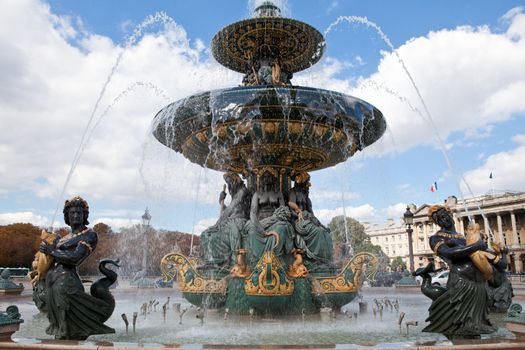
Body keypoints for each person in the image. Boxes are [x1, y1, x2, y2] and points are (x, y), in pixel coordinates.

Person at [39, 196, 116, 340]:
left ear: (84, 215)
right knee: (60, 328)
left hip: (66, 284)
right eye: (72, 213)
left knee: (71, 330)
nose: (75, 215)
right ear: (67, 216)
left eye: (79, 213)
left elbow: (75, 257)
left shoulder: (89, 235)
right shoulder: (63, 237)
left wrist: (51, 251)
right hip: (52, 283)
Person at [422, 205, 502, 338]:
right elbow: (448, 253)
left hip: (478, 286)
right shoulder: (436, 238)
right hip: (461, 284)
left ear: (451, 215)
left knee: (475, 328)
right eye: (439, 219)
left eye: (444, 216)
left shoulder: (465, 238)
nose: (443, 220)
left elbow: (479, 255)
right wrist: (475, 246)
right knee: (459, 327)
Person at [245, 168, 294, 268]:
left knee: (283, 227)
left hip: (275, 221)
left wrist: (277, 217)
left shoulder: (278, 194)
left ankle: (276, 259)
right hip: (260, 222)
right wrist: (260, 228)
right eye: (265, 177)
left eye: (269, 177)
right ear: (261, 180)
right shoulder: (257, 194)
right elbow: (253, 213)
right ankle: (257, 260)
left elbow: (283, 211)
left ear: (273, 179)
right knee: (251, 229)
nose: (267, 179)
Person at [200, 173, 251, 268]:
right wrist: (221, 202)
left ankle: (231, 262)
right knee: (207, 234)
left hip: (240, 221)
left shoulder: (243, 191)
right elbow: (229, 210)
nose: (229, 186)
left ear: (235, 181)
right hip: (230, 220)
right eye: (227, 183)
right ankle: (213, 262)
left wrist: (216, 224)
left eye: (229, 182)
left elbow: (231, 209)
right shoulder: (235, 195)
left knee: (222, 232)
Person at [288, 171, 333, 271]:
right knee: (318, 232)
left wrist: (321, 225)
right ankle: (315, 258)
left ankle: (323, 260)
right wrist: (298, 210)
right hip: (297, 220)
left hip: (307, 219)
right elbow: (291, 203)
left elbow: (311, 213)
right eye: (306, 182)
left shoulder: (305, 197)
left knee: (324, 232)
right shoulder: (293, 191)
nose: (307, 184)